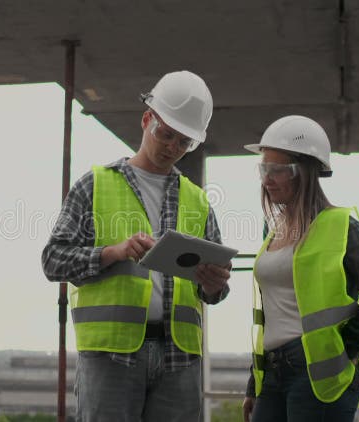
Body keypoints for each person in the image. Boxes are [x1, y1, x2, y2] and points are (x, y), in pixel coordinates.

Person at [42, 70, 232, 422]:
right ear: (147, 120)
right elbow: (53, 260)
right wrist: (111, 252)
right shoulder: (95, 185)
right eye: (166, 134)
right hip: (111, 358)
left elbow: (216, 292)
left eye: (184, 142)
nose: (172, 147)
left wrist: (214, 284)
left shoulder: (198, 201)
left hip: (179, 359)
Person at [240, 115, 359, 422]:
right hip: (272, 374)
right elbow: (273, 313)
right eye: (264, 168)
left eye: (278, 170)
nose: (267, 179)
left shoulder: (339, 225)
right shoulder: (273, 231)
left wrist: (345, 346)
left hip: (316, 373)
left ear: (305, 172)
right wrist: (255, 383)